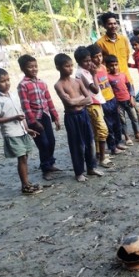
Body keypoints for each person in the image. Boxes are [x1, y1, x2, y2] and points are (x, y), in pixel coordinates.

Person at [0, 67, 42, 194]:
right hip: (11, 133)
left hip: (21, 131)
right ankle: (25, 185)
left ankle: (27, 182)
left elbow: (20, 113)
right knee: (22, 158)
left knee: (25, 157)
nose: (7, 83)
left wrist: (27, 128)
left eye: (8, 80)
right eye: (2, 81)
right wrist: (14, 118)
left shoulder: (12, 95)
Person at [53, 53, 101, 182]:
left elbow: (89, 99)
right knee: (76, 145)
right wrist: (79, 100)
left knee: (89, 141)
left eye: (71, 66)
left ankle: (91, 167)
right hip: (72, 117)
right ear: (58, 67)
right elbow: (68, 103)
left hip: (83, 114)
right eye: (66, 66)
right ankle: (79, 171)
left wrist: (76, 101)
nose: (70, 69)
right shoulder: (59, 85)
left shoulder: (78, 81)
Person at [17, 54, 61, 181]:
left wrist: (55, 116)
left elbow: (49, 100)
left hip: (45, 115)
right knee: (43, 144)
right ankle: (45, 169)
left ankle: (50, 163)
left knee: (51, 141)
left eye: (35, 66)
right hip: (34, 118)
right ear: (23, 69)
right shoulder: (23, 85)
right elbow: (25, 105)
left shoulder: (42, 83)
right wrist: (33, 121)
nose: (34, 69)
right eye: (30, 67)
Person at [74, 46, 110, 168]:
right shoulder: (82, 73)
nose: (89, 63)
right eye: (86, 61)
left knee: (97, 131)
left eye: (90, 60)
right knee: (102, 130)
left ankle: (99, 154)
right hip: (92, 103)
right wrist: (94, 74)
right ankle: (102, 158)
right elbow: (95, 89)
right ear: (79, 62)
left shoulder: (85, 70)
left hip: (95, 102)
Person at [89, 44, 125, 153]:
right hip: (102, 101)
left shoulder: (104, 67)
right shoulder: (91, 72)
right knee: (108, 125)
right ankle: (112, 147)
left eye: (100, 56)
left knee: (117, 123)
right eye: (95, 56)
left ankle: (118, 143)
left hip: (112, 98)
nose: (99, 58)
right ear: (90, 58)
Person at [106, 54, 139, 143]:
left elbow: (130, 86)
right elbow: (109, 91)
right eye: (111, 66)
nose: (114, 67)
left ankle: (137, 133)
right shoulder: (108, 78)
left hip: (128, 100)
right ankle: (127, 137)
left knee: (134, 118)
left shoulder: (123, 75)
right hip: (118, 103)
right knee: (122, 120)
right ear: (107, 66)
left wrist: (132, 97)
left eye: (116, 65)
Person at [96, 12, 133, 87]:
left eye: (115, 23)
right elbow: (100, 63)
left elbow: (127, 56)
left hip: (126, 78)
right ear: (104, 26)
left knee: (131, 98)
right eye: (110, 24)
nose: (113, 26)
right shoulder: (100, 43)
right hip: (112, 82)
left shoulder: (123, 39)